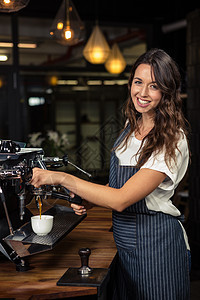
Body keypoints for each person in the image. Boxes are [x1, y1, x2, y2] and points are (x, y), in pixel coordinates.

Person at [30, 48, 190, 300]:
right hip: (125, 244)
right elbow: (117, 185)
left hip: (157, 246)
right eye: (138, 82)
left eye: (154, 86)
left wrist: (61, 177)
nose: (143, 93)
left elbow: (121, 198)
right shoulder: (130, 127)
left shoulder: (172, 139)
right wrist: (91, 200)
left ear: (167, 92)